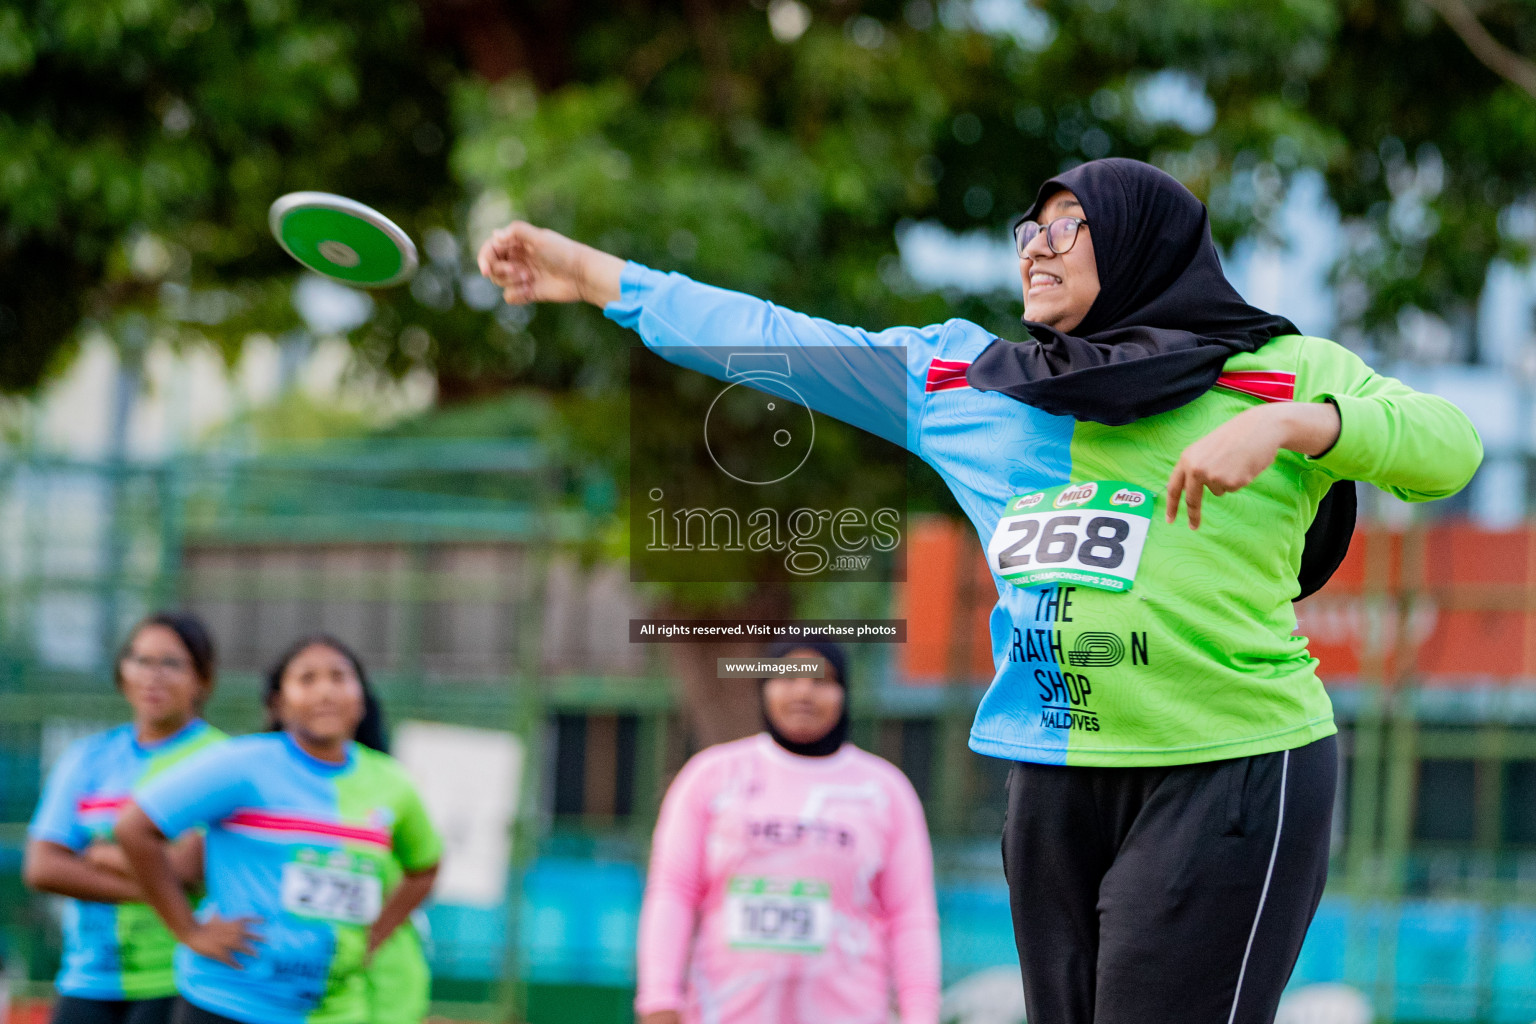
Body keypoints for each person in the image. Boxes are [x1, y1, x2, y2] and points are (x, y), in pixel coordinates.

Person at [477, 156, 1484, 1024]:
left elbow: (1450, 448)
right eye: (1026, 231)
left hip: (1229, 765)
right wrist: (594, 276)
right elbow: (768, 336)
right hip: (1051, 771)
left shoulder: (1277, 370)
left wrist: (1302, 427)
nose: (1034, 249)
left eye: (1067, 227)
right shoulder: (964, 379)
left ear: (1141, 241)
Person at [113, 635, 442, 1024]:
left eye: (339, 677)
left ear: (361, 698)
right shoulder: (241, 764)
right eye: (307, 679)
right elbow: (135, 829)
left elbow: (424, 867)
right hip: (227, 1002)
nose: (325, 691)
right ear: (278, 702)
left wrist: (372, 939)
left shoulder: (392, 783)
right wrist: (187, 930)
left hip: (334, 1009)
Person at [634, 638, 939, 1024]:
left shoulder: (884, 791)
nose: (803, 691)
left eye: (822, 680)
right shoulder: (712, 777)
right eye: (788, 676)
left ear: (844, 692)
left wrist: (921, 1014)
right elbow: (673, 892)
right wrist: (660, 1000)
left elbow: (910, 915)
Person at [25, 612, 226, 1024]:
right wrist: (163, 888)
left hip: (180, 979)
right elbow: (43, 867)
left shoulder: (222, 761)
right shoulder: (87, 758)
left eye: (170, 663)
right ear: (122, 671)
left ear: (202, 680)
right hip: (87, 978)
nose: (153, 676)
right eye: (140, 660)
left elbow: (191, 867)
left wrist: (102, 856)